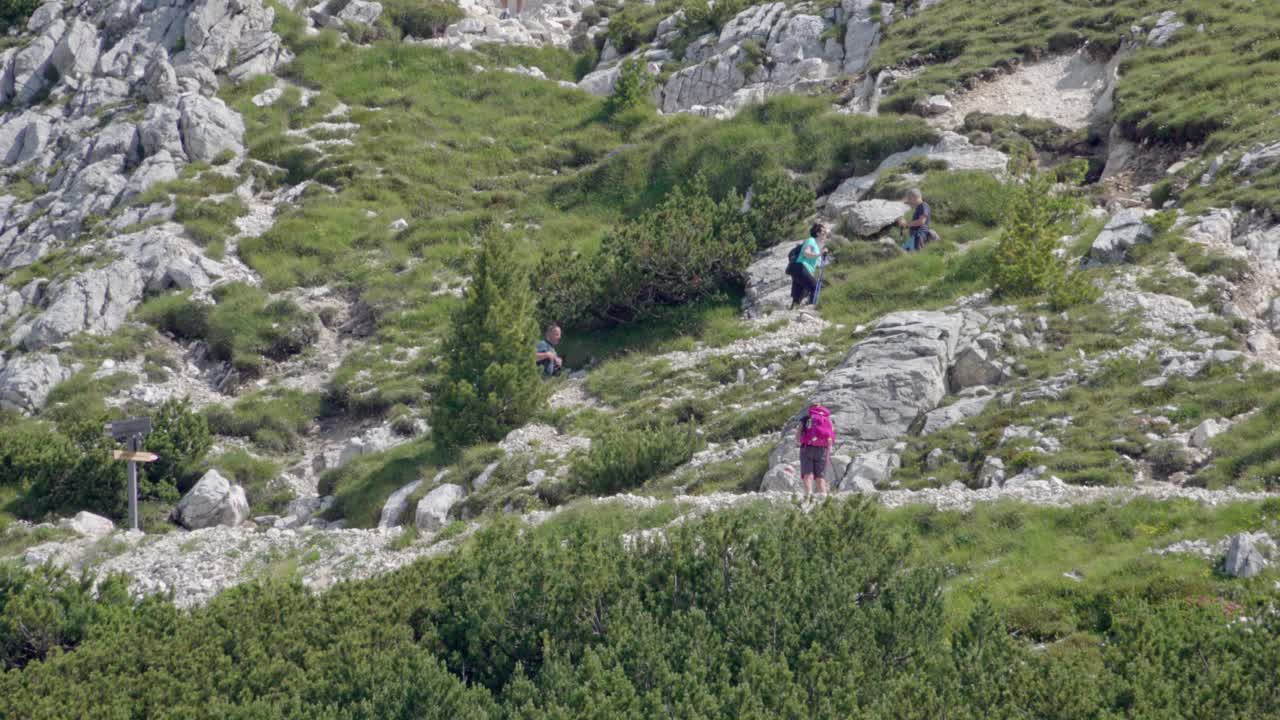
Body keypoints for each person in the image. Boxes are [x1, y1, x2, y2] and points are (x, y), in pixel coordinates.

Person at [795, 404, 834, 496]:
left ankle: (808, 496)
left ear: (810, 409)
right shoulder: (827, 419)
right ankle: (823, 497)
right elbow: (831, 435)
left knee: (807, 475)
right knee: (820, 477)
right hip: (823, 450)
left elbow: (797, 436)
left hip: (807, 449)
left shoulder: (806, 419)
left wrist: (801, 442)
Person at [789, 223, 826, 309]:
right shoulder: (811, 240)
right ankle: (811, 309)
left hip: (798, 269)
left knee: (798, 297)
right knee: (816, 288)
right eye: (823, 232)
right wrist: (820, 253)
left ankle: (791, 315)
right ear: (818, 233)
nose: (825, 234)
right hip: (801, 268)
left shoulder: (816, 245)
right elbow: (807, 253)